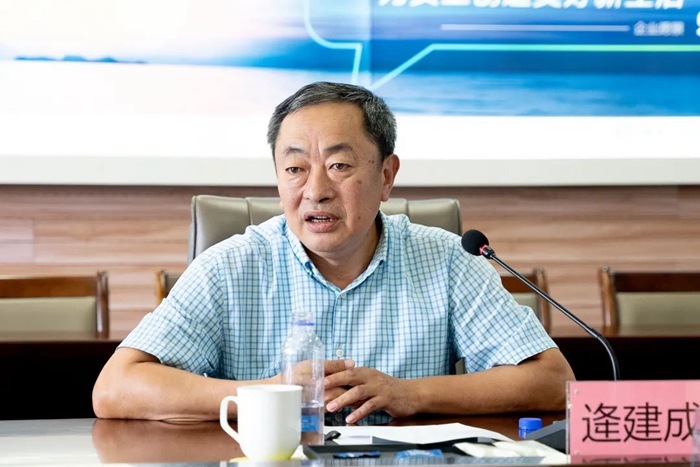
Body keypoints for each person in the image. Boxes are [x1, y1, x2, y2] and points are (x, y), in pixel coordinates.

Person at [93, 81, 575, 423]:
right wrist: (270, 395)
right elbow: (115, 389)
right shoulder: (229, 266)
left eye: (339, 165)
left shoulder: (448, 260)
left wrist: (410, 394)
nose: (315, 190)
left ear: (386, 175)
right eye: (295, 169)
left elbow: (552, 381)